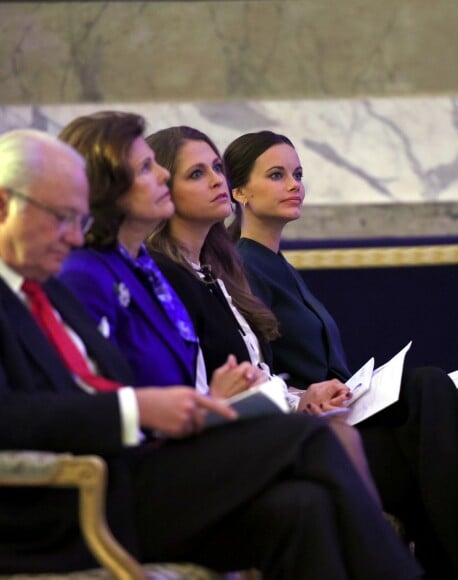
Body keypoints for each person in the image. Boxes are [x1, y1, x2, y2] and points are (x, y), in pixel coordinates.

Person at [0, 127, 425, 580]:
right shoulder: (79, 277)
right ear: (4, 206)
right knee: (311, 437)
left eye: (78, 220)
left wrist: (188, 408)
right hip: (70, 502)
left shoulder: (53, 292)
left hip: (132, 469)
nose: (71, 236)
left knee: (303, 507)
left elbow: (93, 386)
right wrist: (136, 409)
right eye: (61, 217)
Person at [223, 129, 458, 580]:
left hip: (347, 407)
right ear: (240, 191)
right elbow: (258, 371)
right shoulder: (240, 265)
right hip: (320, 425)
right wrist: (307, 392)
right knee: (427, 382)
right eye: (277, 175)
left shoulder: (279, 264)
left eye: (297, 173)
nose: (294, 184)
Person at [143, 125, 380, 504]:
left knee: (429, 396)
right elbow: (192, 385)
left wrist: (302, 396)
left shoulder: (215, 272)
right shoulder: (166, 276)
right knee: (341, 439)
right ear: (163, 192)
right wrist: (288, 398)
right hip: (214, 440)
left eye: (217, 168)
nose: (217, 180)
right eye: (197, 174)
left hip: (265, 418)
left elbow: (260, 374)